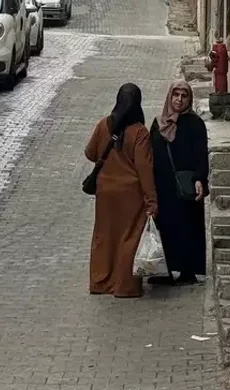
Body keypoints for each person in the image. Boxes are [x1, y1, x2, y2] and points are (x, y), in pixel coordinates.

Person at [84, 83, 157, 298]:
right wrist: (151, 200)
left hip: (105, 192)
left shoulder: (103, 125)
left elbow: (90, 153)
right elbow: (145, 169)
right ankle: (124, 286)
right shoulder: (140, 132)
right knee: (129, 237)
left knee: (105, 235)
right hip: (131, 195)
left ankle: (100, 282)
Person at [148, 80, 209, 285]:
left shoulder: (195, 123)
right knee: (164, 226)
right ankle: (164, 270)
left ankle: (187, 271)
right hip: (163, 186)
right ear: (169, 96)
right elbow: (150, 154)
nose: (179, 100)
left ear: (189, 99)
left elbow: (201, 155)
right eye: (176, 95)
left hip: (186, 186)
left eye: (184, 96)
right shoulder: (159, 123)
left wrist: (200, 178)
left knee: (187, 226)